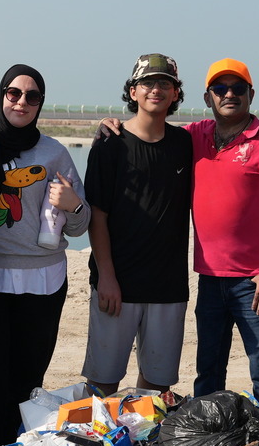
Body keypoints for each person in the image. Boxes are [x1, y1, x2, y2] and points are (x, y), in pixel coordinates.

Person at [0, 66, 88, 446]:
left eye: (32, 97)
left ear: (40, 104)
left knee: (27, 383)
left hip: (43, 281)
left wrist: (73, 205)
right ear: (1, 96)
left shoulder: (54, 153)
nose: (21, 102)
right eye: (13, 93)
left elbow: (80, 226)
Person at [185, 59, 259, 408]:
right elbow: (151, 132)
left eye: (238, 88)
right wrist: (111, 122)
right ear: (208, 98)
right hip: (208, 279)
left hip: (255, 284)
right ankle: (205, 444)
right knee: (207, 373)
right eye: (220, 89)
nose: (230, 94)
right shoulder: (194, 136)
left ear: (251, 94)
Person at [81, 54, 194, 395]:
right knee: (102, 382)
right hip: (118, 285)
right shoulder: (110, 143)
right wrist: (108, 277)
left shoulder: (186, 144)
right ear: (132, 92)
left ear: (176, 93)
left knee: (157, 388)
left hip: (168, 286)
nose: (155, 90)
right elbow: (96, 215)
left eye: (165, 83)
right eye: (147, 83)